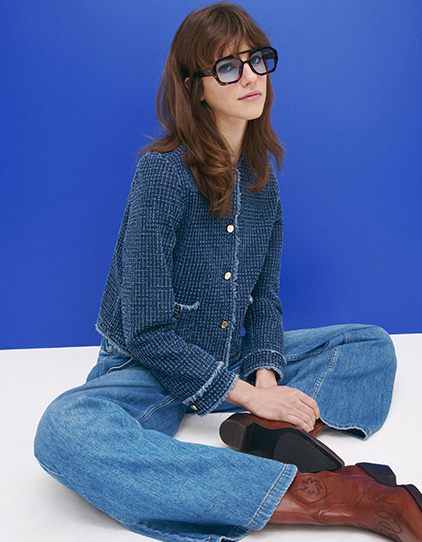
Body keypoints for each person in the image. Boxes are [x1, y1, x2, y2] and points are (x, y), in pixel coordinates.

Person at [34, 2, 422, 541]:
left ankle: (267, 430)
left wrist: (265, 383)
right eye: (227, 67)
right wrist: (247, 392)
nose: (251, 77)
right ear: (194, 87)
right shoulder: (162, 174)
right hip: (148, 368)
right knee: (64, 430)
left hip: (226, 361)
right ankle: (336, 497)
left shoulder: (262, 179)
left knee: (369, 345)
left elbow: (264, 302)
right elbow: (146, 332)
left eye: (258, 60)